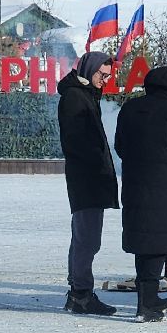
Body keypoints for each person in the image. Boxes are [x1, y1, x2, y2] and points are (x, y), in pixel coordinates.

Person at [114, 65, 167, 322]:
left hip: (134, 182)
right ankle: (147, 303)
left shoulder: (129, 108)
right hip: (162, 185)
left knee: (143, 239)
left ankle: (147, 298)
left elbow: (119, 146)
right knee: (158, 239)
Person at [57, 52, 119, 316]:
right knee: (88, 238)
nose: (105, 80)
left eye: (107, 76)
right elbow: (77, 141)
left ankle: (78, 291)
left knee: (84, 236)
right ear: (89, 69)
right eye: (101, 75)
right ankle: (81, 293)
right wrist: (98, 163)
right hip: (86, 178)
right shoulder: (75, 97)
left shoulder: (84, 95)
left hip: (89, 177)